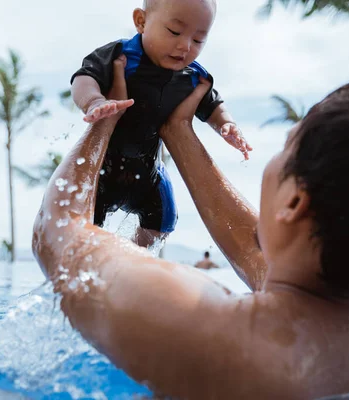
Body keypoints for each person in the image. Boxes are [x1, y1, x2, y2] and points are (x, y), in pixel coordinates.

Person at [32, 57, 349, 399]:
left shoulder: (211, 332)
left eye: (286, 147)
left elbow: (57, 234)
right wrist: (178, 129)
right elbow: (265, 251)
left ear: (296, 199)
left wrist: (103, 122)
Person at [69, 0, 252, 248]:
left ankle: (134, 258)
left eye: (198, 40)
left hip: (148, 173)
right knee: (87, 225)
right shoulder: (121, 55)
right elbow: (84, 77)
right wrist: (94, 101)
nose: (185, 46)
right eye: (174, 32)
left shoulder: (192, 76)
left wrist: (226, 125)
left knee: (162, 221)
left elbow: (213, 104)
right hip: (104, 169)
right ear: (141, 21)